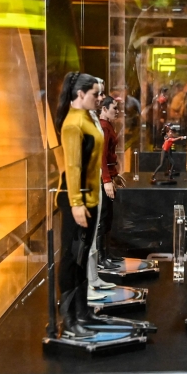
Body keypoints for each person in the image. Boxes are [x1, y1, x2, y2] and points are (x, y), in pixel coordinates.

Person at [55, 72, 119, 339]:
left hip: (89, 197)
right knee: (72, 259)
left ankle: (82, 312)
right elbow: (72, 167)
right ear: (80, 95)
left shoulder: (87, 119)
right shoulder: (73, 124)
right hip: (76, 199)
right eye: (96, 94)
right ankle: (70, 320)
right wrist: (77, 203)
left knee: (82, 258)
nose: (100, 98)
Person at [97, 96, 122, 269]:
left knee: (108, 217)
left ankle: (106, 254)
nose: (117, 111)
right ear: (104, 109)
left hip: (109, 175)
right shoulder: (104, 127)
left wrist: (113, 175)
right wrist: (106, 179)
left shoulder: (107, 126)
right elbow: (101, 156)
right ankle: (101, 256)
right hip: (103, 178)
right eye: (114, 108)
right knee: (104, 217)